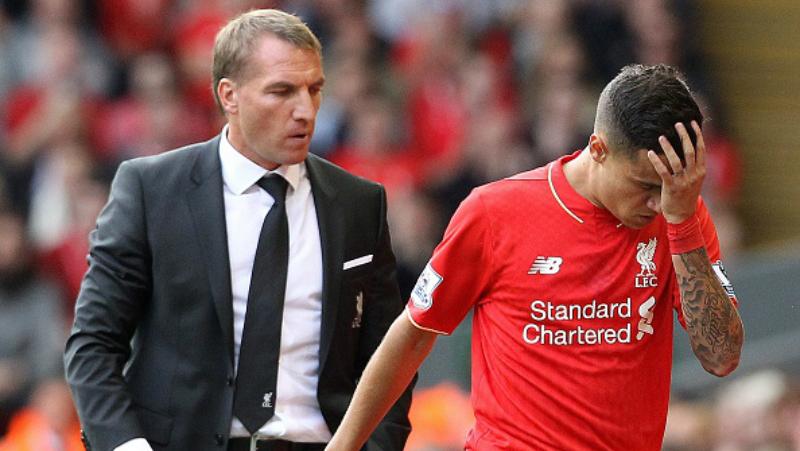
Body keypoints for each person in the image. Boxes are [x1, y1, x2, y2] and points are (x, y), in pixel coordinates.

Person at [326, 64, 744, 451]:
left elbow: (721, 356)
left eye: (670, 187)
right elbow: (414, 333)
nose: (657, 203)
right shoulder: (495, 213)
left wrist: (684, 222)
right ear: (598, 148)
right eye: (643, 185)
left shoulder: (679, 214)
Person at [64, 9, 412, 451]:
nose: (305, 110)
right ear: (229, 95)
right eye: (282, 91)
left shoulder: (360, 204)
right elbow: (94, 344)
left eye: (314, 89)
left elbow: (388, 358)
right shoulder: (151, 190)